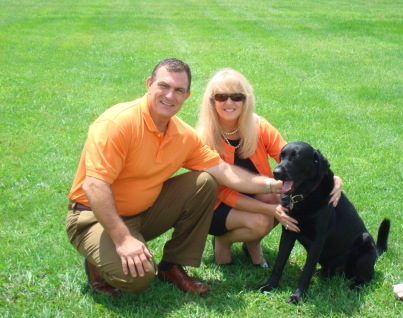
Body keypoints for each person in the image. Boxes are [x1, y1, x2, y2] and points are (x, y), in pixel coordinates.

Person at [65, 58, 288, 297]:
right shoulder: (117, 123)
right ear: (149, 84)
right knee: (137, 279)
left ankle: (172, 266)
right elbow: (94, 185)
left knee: (205, 182)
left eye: (179, 90)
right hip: (93, 215)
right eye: (164, 86)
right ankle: (97, 265)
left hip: (142, 213)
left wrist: (274, 185)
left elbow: (225, 173)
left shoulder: (184, 135)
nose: (170, 96)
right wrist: (123, 240)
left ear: (187, 96)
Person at [196, 68, 342, 266]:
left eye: (236, 96)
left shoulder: (258, 126)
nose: (229, 102)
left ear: (245, 100)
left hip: (253, 193)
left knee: (284, 197)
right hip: (215, 206)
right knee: (262, 220)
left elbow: (294, 160)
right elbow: (224, 194)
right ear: (212, 101)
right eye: (221, 96)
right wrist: (271, 210)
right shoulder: (204, 138)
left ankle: (252, 243)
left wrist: (330, 177)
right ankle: (223, 240)